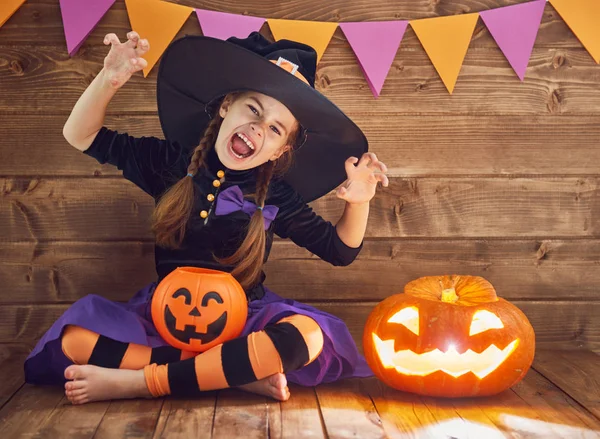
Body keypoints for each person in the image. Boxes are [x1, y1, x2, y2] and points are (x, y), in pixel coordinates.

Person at [24, 30, 388, 405]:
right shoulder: (169, 162)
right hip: (164, 319)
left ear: (281, 151)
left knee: (306, 337)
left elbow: (339, 250)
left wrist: (358, 203)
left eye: (275, 129)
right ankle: (230, 375)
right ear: (226, 105)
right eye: (253, 109)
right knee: (74, 337)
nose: (258, 128)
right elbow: (80, 135)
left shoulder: (276, 195)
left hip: (244, 323)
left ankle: (138, 381)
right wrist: (109, 80)